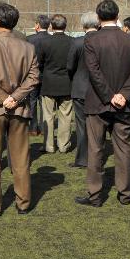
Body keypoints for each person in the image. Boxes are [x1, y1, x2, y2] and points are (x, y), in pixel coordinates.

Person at [76, 0, 130, 207]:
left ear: (98, 18)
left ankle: (95, 195)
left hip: (98, 103)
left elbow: (93, 71)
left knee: (95, 150)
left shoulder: (92, 40)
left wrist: (110, 95)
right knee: (123, 148)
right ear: (118, 15)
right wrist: (122, 95)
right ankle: (126, 194)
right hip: (122, 105)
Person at [0, 2, 39, 216]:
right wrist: (14, 98)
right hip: (18, 109)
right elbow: (33, 78)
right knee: (21, 159)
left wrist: (4, 99)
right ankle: (23, 202)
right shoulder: (28, 47)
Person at [37, 14, 75, 154]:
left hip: (49, 83)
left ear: (52, 26)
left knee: (48, 116)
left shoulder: (45, 42)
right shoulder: (72, 42)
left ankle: (49, 146)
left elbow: (39, 63)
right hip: (67, 83)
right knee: (65, 116)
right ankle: (64, 145)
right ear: (65, 26)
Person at [67, 12, 99, 169]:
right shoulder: (103, 41)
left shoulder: (77, 42)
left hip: (80, 89)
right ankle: (96, 156)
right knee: (98, 126)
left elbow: (70, 66)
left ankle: (82, 159)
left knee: (81, 126)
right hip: (99, 90)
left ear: (83, 25)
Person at [25, 15, 51, 136]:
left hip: (32, 75)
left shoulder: (29, 39)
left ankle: (33, 128)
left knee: (32, 101)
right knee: (45, 104)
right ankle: (45, 127)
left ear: (37, 25)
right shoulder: (51, 39)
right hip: (47, 76)